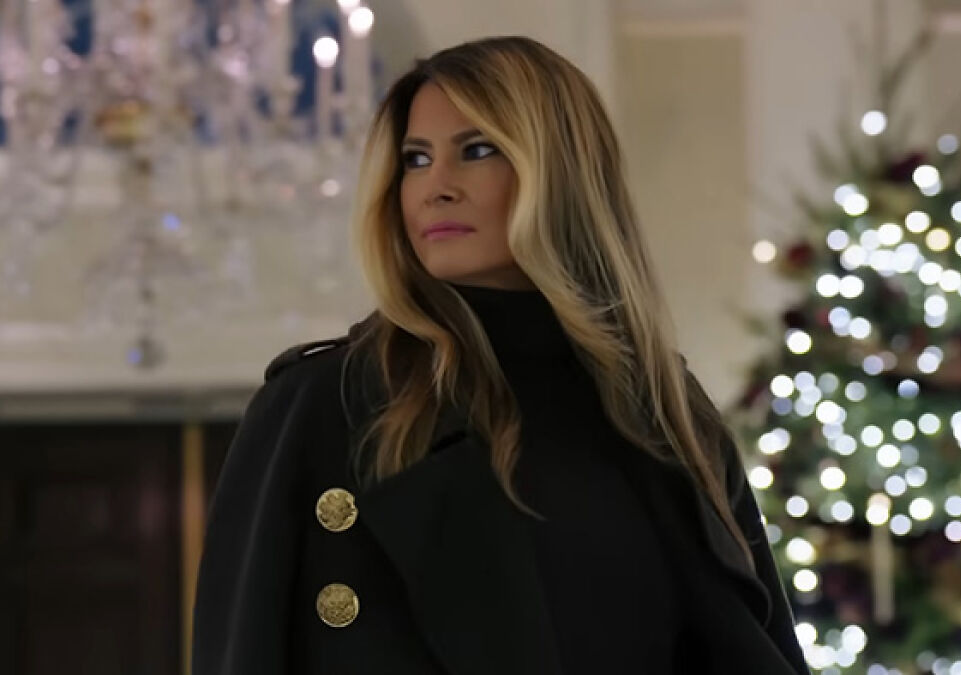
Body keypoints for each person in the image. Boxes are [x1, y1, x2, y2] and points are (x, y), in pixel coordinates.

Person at [191, 35, 811, 675]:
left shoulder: (662, 411)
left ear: (562, 173)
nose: (435, 187)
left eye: (477, 150)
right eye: (416, 159)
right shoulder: (324, 403)